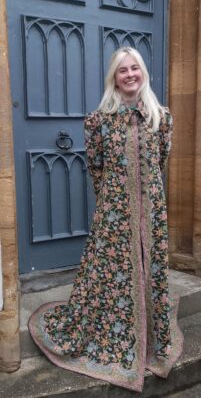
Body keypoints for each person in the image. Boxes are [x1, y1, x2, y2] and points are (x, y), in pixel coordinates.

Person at [29, 46, 183, 392]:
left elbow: (160, 163)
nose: (130, 75)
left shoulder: (162, 117)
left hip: (152, 211)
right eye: (122, 70)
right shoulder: (97, 121)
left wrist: (147, 202)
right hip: (114, 212)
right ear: (113, 78)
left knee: (150, 268)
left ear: (143, 73)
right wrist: (114, 204)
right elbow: (96, 169)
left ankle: (150, 340)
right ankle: (116, 338)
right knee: (113, 275)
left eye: (135, 68)